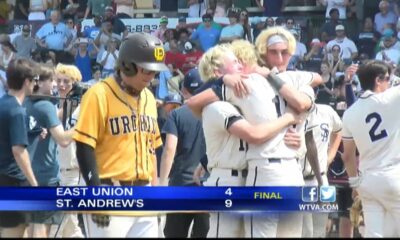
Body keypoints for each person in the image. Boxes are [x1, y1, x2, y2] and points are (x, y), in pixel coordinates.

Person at [196, 43, 304, 238]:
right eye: (234, 62)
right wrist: (287, 119)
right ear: (217, 71)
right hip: (227, 179)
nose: (240, 64)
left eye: (240, 61)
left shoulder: (240, 95)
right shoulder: (216, 106)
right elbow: (255, 134)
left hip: (249, 176)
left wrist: (292, 136)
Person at [73, 32, 168, 238]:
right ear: (127, 65)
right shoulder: (99, 94)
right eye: (147, 69)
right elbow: (83, 146)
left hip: (144, 195)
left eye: (154, 72)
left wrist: (156, 192)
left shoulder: (149, 98)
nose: (151, 76)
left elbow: (151, 150)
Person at [342, 60, 400, 237]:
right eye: (387, 79)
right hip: (393, 176)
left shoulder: (350, 113)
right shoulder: (391, 98)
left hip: (367, 180)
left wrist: (355, 184)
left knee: (376, 234)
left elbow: (347, 156)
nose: (390, 83)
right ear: (378, 80)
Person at [24, 66, 75, 238]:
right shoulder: (45, 105)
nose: (55, 84)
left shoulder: (25, 101)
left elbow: (54, 117)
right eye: (52, 80)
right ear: (38, 82)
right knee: (41, 229)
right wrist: (84, 124)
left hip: (28, 175)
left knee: (30, 227)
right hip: (46, 177)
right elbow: (63, 140)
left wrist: (70, 101)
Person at [159, 68, 210, 238]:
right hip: (207, 184)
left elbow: (169, 150)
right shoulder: (215, 112)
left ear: (184, 91)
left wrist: (162, 183)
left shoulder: (177, 115)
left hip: (180, 184)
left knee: (174, 234)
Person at [0, 59, 39, 238]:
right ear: (26, 82)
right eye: (34, 79)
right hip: (12, 181)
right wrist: (34, 183)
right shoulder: (16, 110)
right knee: (14, 231)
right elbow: (18, 150)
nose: (36, 83)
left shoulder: (2, 103)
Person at [301, 103, 342, 238]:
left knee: (319, 232)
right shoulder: (292, 112)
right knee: (303, 232)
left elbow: (339, 130)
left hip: (322, 178)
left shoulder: (327, 111)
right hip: (299, 179)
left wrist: (330, 156)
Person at [53, 64, 84, 238]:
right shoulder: (56, 104)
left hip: (74, 171)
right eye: (58, 80)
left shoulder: (80, 108)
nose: (62, 84)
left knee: (60, 220)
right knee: (72, 228)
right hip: (59, 171)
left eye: (66, 81)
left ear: (75, 83)